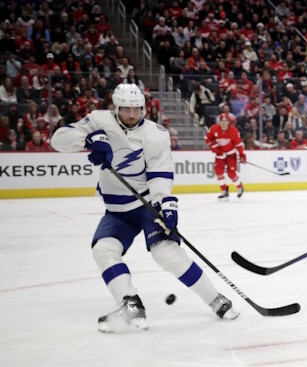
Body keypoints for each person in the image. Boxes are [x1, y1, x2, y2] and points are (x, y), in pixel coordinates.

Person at [50, 83, 239, 333]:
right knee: (103, 250)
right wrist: (89, 139)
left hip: (147, 205)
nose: (132, 115)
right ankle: (130, 304)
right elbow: (58, 140)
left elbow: (160, 175)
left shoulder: (155, 133)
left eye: (137, 109)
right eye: (126, 109)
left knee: (167, 252)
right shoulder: (98, 120)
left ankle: (216, 300)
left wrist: (165, 205)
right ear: (115, 107)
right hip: (117, 209)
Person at [204, 113, 246, 200]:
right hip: (219, 155)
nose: (223, 123)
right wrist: (212, 145)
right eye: (222, 121)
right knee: (219, 172)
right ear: (219, 122)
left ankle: (240, 187)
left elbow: (238, 144)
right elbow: (207, 138)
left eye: (225, 121)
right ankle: (224, 191)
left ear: (228, 122)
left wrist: (242, 155)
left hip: (231, 154)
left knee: (231, 173)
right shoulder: (214, 128)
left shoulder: (233, 130)